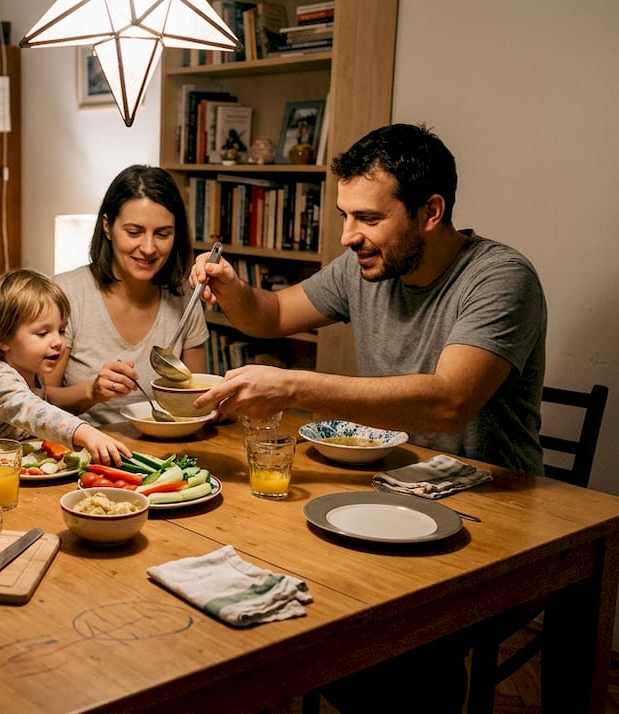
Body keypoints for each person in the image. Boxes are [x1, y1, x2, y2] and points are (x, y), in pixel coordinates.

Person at [191, 122, 547, 712]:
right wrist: (232, 290)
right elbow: (274, 312)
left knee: (389, 655)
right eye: (344, 215)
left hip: (494, 522)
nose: (349, 236)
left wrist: (292, 387)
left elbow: (449, 400)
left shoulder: (500, 278)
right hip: (388, 496)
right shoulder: (367, 265)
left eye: (368, 218)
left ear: (431, 211)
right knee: (282, 595)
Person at [47, 165, 209, 426]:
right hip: (84, 450)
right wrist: (92, 391)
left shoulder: (185, 298)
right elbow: (39, 399)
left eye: (162, 234)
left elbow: (197, 400)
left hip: (165, 449)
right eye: (134, 232)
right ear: (107, 227)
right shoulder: (66, 294)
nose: (148, 248)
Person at [0, 269, 132, 465]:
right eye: (42, 333)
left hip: (8, 465)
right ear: (2, 338)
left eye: (61, 330)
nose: (58, 341)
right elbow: (35, 412)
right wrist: (86, 432)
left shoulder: (33, 374)